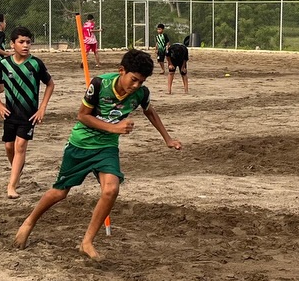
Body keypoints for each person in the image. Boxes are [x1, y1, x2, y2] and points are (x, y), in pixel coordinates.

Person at [15, 48, 180, 260]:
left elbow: (150, 111)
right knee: (60, 192)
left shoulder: (141, 93)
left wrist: (167, 138)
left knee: (111, 190)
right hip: (81, 145)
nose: (137, 85)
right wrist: (114, 128)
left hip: (107, 148)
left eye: (142, 81)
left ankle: (87, 241)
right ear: (122, 70)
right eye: (134, 79)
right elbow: (82, 116)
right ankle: (29, 221)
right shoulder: (99, 84)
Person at [0, 26, 56, 198]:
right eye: (21, 42)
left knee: (20, 146)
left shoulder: (35, 64)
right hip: (9, 113)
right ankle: (16, 172)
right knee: (9, 146)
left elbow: (50, 84)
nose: (25, 45)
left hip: (29, 114)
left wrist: (42, 108)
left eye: (28, 42)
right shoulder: (4, 63)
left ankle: (11, 185)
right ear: (12, 44)